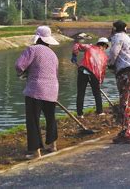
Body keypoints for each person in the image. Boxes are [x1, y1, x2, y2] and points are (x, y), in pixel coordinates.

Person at [15, 25, 60, 159]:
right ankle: (53, 145)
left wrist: (24, 73)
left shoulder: (32, 49)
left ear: (37, 37)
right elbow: (55, 72)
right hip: (52, 90)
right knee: (50, 118)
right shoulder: (53, 54)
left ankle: (36, 152)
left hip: (35, 90)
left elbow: (19, 66)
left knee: (33, 120)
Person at [108, 20, 130, 144]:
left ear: (113, 29)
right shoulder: (128, 38)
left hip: (127, 73)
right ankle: (126, 130)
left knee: (125, 102)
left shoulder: (117, 37)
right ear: (126, 28)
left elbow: (113, 53)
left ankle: (126, 132)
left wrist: (110, 65)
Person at [71, 37, 110, 117]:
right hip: (94, 75)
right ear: (105, 46)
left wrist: (74, 55)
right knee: (97, 93)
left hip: (83, 71)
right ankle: (99, 112)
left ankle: (80, 114)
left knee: (81, 93)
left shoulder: (89, 47)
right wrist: (99, 82)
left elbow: (77, 45)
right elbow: (102, 72)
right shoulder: (105, 57)